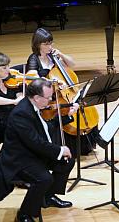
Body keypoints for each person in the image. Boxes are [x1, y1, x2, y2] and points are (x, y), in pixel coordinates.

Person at [0, 78, 78, 221]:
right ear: (37, 98)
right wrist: (59, 150)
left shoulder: (33, 106)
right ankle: (24, 214)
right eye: (48, 97)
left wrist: (66, 116)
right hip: (18, 160)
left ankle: (47, 197)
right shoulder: (22, 113)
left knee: (67, 162)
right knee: (44, 178)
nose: (51, 99)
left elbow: (45, 128)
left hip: (31, 153)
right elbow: (36, 143)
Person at [26, 27, 97, 156]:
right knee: (68, 110)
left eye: (51, 43)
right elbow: (33, 79)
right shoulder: (34, 59)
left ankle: (86, 145)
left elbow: (72, 64)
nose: (49, 46)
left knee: (84, 103)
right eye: (46, 44)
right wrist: (50, 83)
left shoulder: (53, 56)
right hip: (49, 98)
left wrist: (61, 55)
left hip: (65, 93)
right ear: (37, 44)